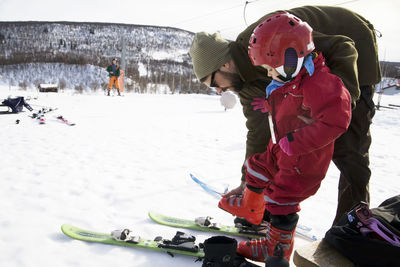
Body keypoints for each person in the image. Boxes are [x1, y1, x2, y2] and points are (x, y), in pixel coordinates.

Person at [189, 6, 381, 228]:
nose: (219, 91)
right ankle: (269, 209)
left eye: (214, 83)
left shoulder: (266, 40)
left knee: (348, 148)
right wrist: (248, 183)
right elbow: (259, 131)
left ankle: (351, 226)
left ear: (224, 64)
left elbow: (342, 47)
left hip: (352, 49)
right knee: (284, 140)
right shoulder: (245, 84)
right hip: (311, 76)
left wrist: (339, 106)